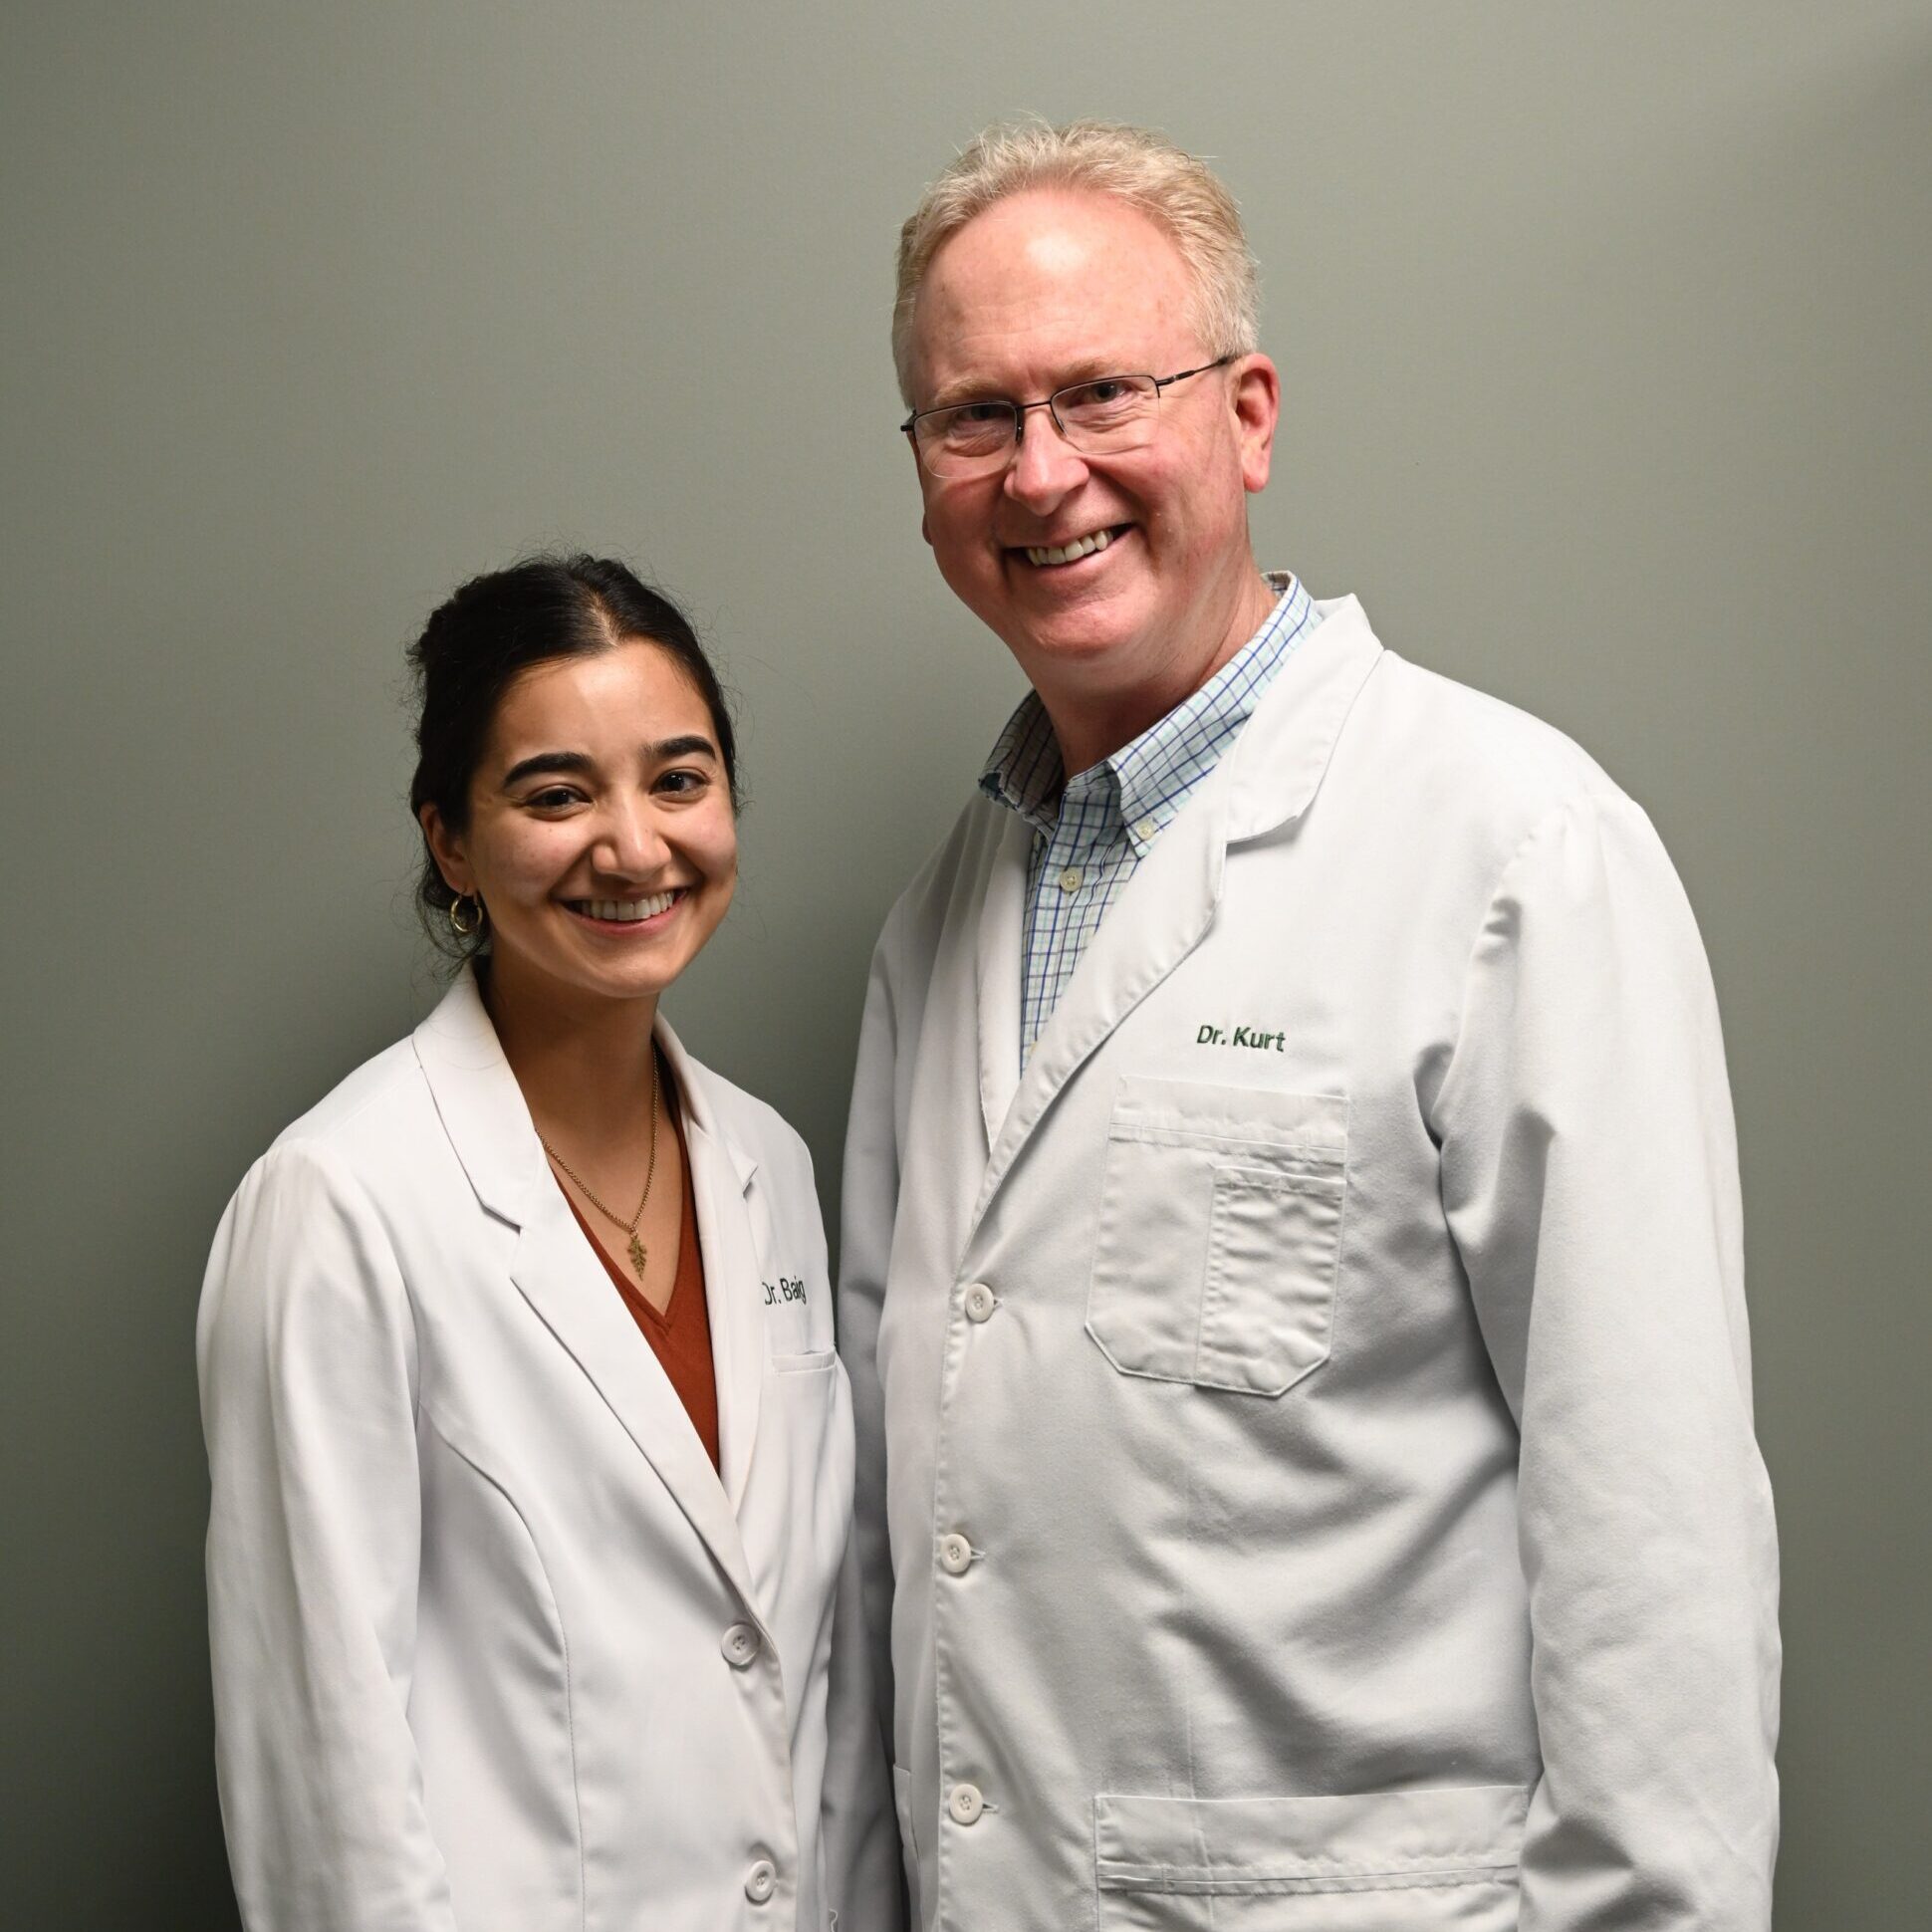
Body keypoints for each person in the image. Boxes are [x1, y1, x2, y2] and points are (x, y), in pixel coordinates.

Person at [840, 121, 1780, 1931]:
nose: (1044, 475)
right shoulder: (947, 920)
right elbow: (923, 1532)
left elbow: (1650, 1539)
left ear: (1250, 414)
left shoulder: (1513, 848)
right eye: (976, 418)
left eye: (1105, 391)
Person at [198, 557, 897, 1930]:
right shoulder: (341, 1202)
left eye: (679, 780)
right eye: (557, 793)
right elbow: (324, 1772)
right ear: (451, 841)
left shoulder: (769, 1166)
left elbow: (819, 1679)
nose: (635, 848)